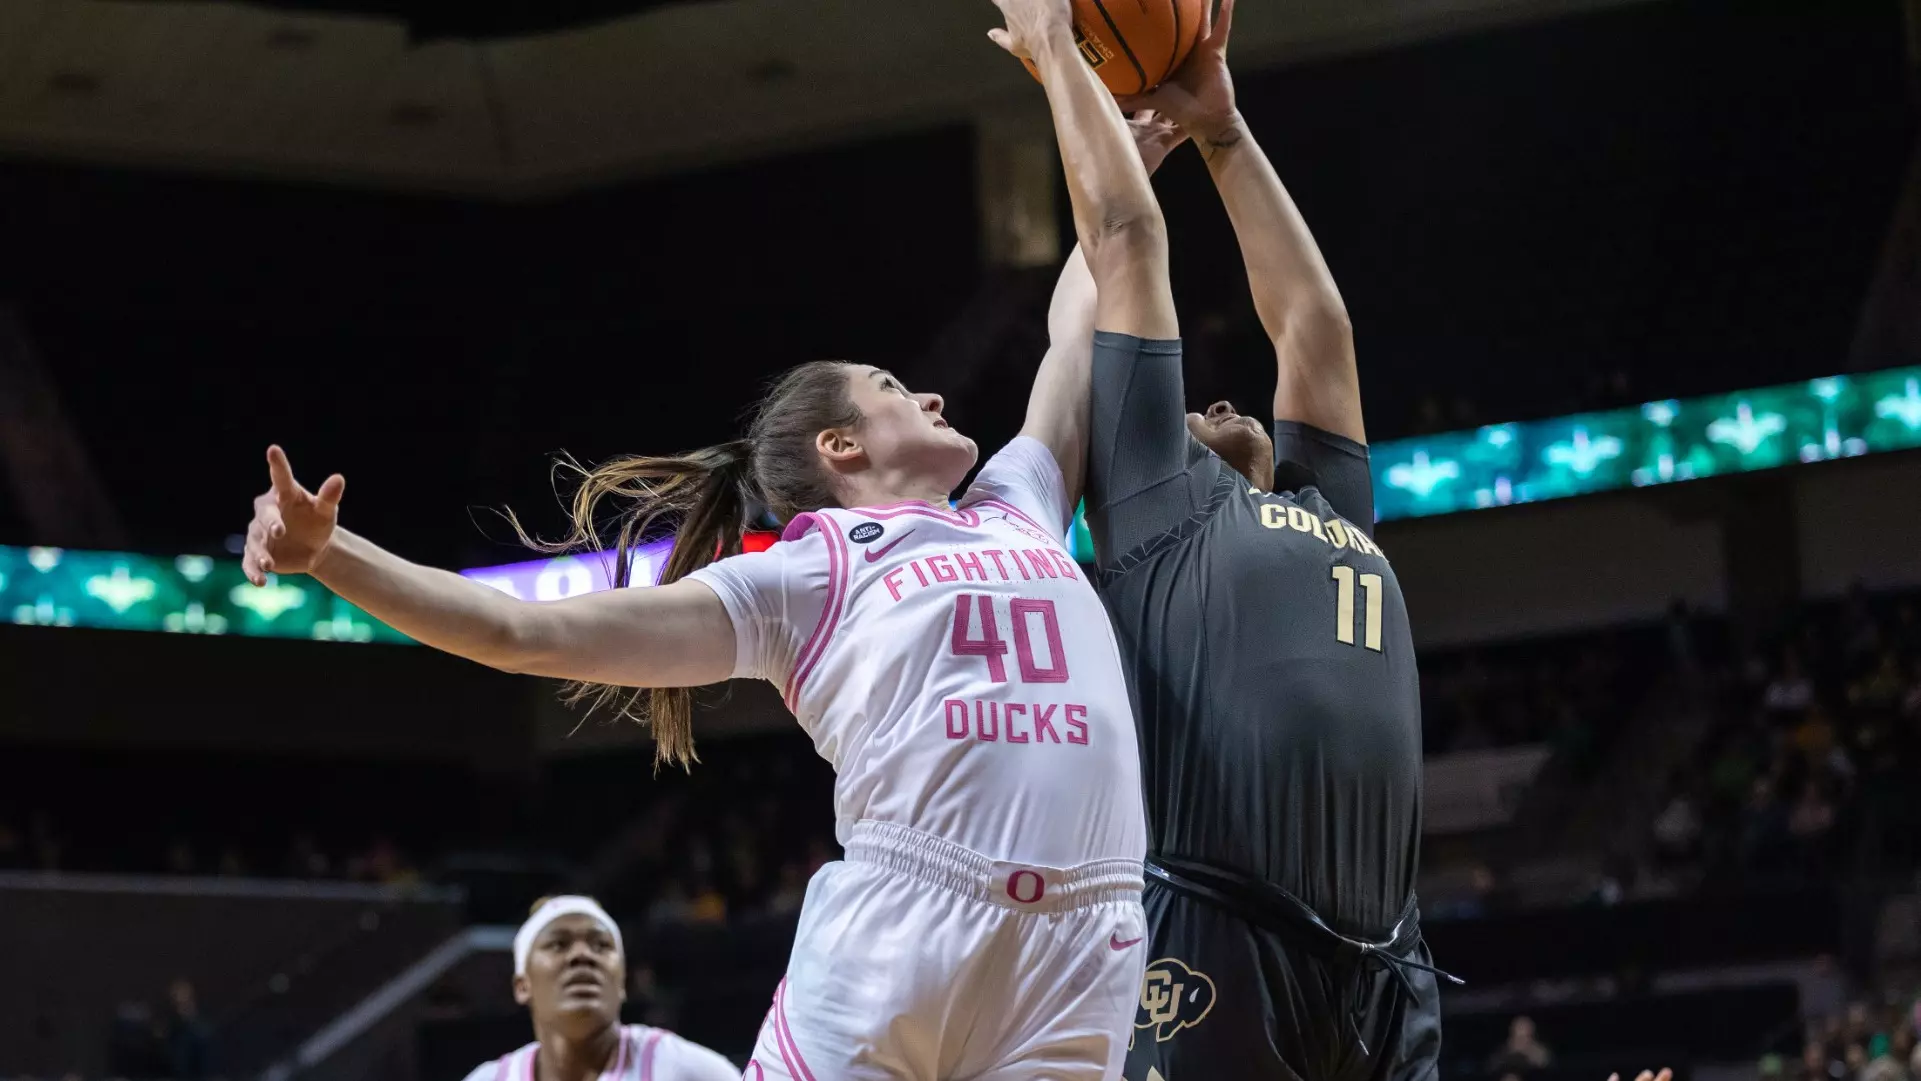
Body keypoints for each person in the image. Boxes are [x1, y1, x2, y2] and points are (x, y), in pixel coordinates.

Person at [238, 0, 1175, 1072]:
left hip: (1085, 935)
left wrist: (1123, 151)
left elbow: (1087, 312)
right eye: (887, 387)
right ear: (840, 448)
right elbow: (521, 633)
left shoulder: (1020, 498)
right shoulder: (806, 576)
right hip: (906, 919)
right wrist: (333, 557)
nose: (923, 389)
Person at [1024, 1, 1455, 1077]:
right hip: (1218, 932)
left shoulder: (1326, 508)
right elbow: (1125, 239)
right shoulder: (1157, 512)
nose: (1215, 398)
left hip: (1386, 960)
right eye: (1189, 407)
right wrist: (1052, 53)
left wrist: (1224, 132)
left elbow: (1313, 324)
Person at [460, 896, 736, 1081]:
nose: (582, 955)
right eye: (558, 944)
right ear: (522, 986)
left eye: (601, 945)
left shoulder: (686, 1070)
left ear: (622, 982)